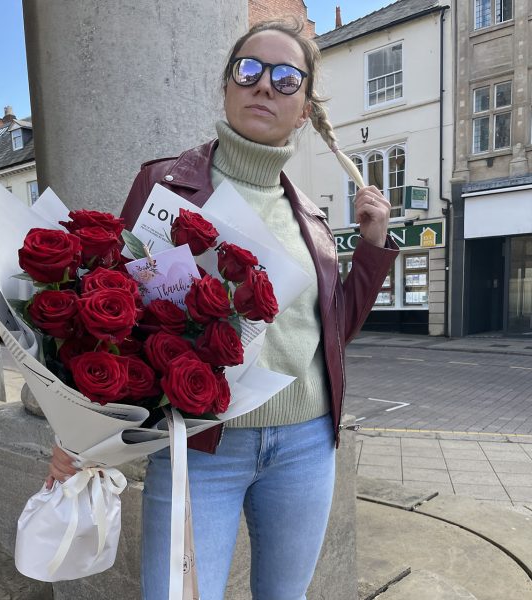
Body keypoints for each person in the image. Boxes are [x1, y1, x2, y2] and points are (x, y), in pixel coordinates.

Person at [48, 19, 398, 600]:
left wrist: (373, 245)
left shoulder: (309, 218)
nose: (265, 86)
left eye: (287, 78)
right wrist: (78, 430)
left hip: (306, 445)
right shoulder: (166, 185)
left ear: (304, 109)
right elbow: (113, 313)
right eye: (250, 70)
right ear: (228, 86)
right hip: (203, 446)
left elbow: (336, 331)